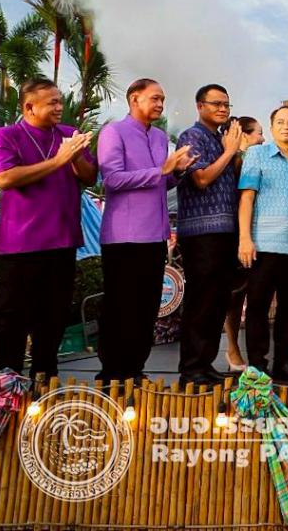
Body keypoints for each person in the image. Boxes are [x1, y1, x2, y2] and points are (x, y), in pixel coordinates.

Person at [0, 78, 97, 379]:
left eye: (60, 100)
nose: (60, 107)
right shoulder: (5, 136)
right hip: (21, 243)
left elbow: (90, 177)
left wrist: (75, 156)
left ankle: (45, 378)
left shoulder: (68, 135)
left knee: (54, 315)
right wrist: (59, 160)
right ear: (29, 107)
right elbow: (5, 178)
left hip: (63, 240)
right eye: (53, 102)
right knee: (12, 317)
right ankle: (7, 380)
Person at [96, 78, 195, 383]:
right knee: (120, 305)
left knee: (147, 306)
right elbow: (112, 179)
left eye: (162, 99)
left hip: (155, 233)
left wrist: (177, 172)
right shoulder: (114, 132)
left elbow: (161, 183)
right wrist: (160, 170)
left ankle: (135, 369)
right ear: (134, 99)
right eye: (155, 98)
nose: (160, 104)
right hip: (123, 235)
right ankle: (112, 372)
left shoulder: (160, 137)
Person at [238, 105, 288, 382]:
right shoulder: (257, 154)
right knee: (258, 306)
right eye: (281, 122)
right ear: (272, 127)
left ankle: (283, 363)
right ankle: (257, 366)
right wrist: (245, 238)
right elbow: (247, 198)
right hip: (264, 244)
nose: (287, 126)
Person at [175, 84, 244, 387]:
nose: (223, 109)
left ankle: (205, 363)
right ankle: (191, 368)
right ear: (200, 106)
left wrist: (233, 152)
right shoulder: (192, 136)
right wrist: (230, 152)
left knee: (218, 302)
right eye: (216, 104)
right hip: (201, 232)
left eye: (226, 104)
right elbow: (201, 179)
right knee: (201, 300)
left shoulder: (220, 138)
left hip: (225, 231)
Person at [224, 116, 264, 372]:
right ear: (245, 135)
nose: (262, 138)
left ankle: (256, 351)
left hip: (259, 232)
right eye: (259, 133)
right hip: (236, 232)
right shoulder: (234, 161)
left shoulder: (258, 160)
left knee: (256, 294)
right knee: (234, 296)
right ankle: (232, 347)